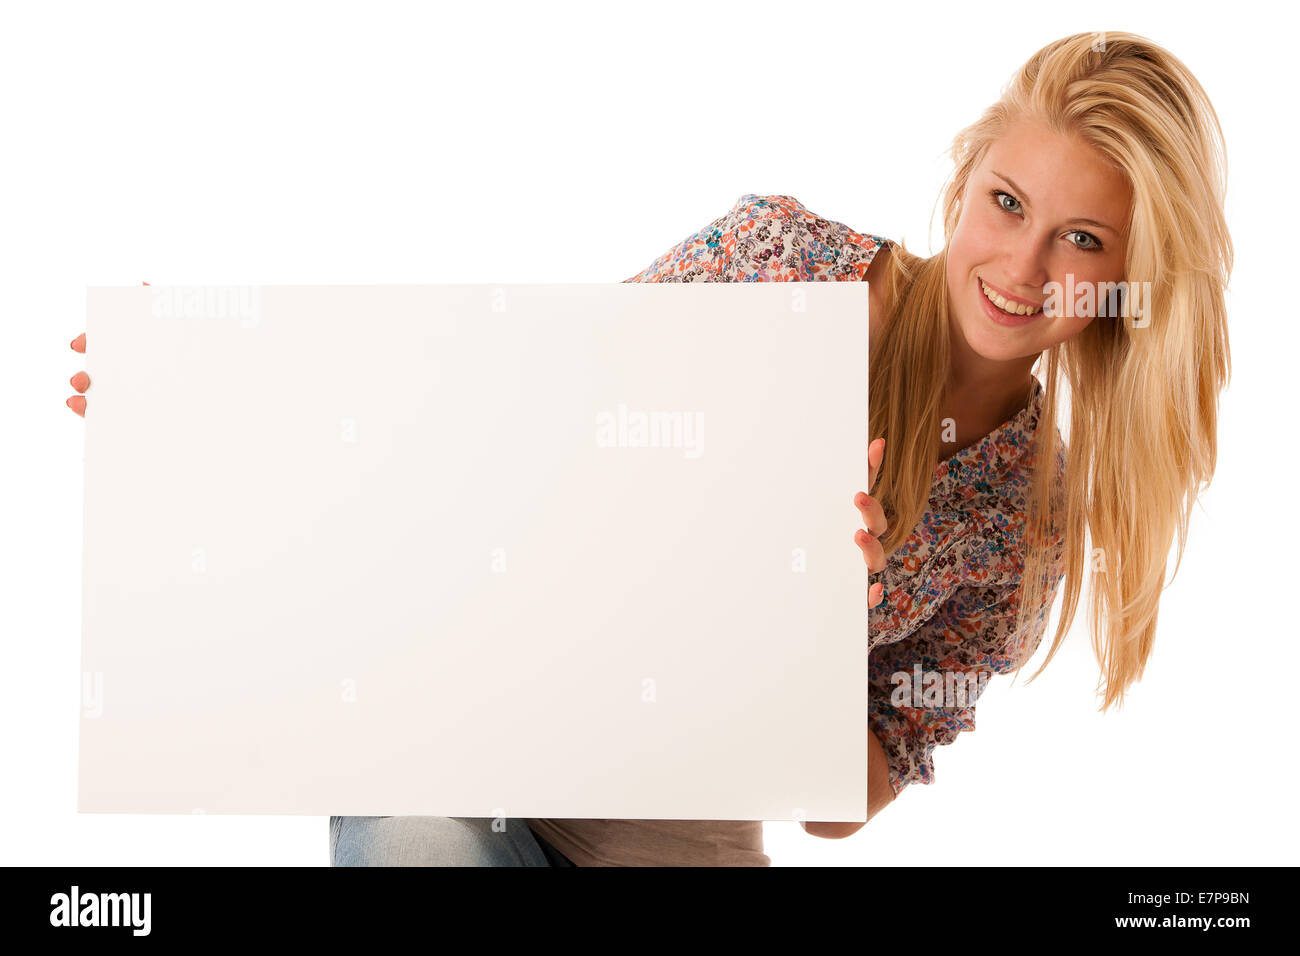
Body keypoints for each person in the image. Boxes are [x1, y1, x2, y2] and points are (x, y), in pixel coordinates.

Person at [67, 30, 1231, 866]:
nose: (1021, 266)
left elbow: (848, 797)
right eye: (1006, 202)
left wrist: (810, 628)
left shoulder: (1027, 524)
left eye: (1081, 238)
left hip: (678, 813)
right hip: (470, 728)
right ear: (963, 180)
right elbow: (509, 411)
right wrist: (208, 389)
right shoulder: (787, 263)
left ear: (1135, 286)